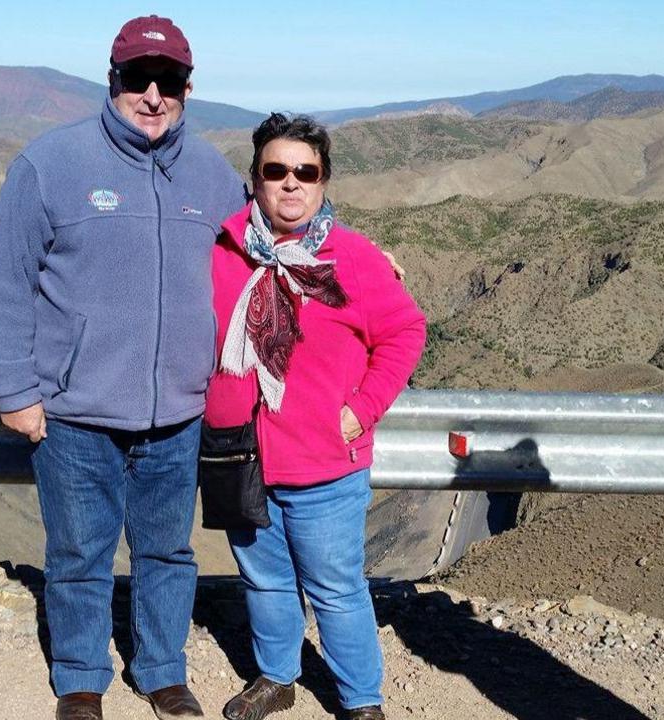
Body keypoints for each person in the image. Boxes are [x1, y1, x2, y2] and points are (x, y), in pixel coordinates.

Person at [0, 15, 246, 720]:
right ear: (112, 79)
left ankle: (161, 673)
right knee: (79, 555)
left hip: (178, 412)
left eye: (170, 81)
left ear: (188, 86)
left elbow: (267, 252)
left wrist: (361, 262)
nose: (153, 95)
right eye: (137, 78)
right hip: (74, 412)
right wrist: (14, 389)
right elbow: (4, 280)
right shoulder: (50, 163)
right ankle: (81, 680)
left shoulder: (211, 174)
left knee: (167, 554)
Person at [205, 114, 428, 720]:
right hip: (240, 454)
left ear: (324, 182)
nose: (291, 184)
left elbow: (404, 331)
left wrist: (362, 408)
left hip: (327, 462)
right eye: (276, 171)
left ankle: (360, 699)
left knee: (335, 589)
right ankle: (278, 677)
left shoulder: (351, 257)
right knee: (265, 581)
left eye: (307, 172)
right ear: (254, 179)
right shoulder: (223, 253)